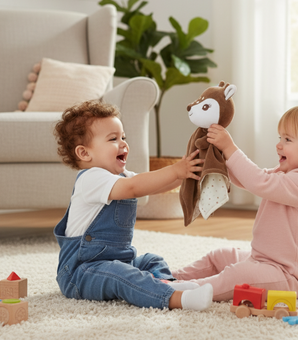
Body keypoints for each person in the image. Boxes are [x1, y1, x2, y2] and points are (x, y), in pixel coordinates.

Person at [172, 104, 298, 302]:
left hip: (290, 277)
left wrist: (230, 148)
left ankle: (182, 291)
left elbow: (259, 182)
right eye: (280, 138)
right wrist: (216, 159)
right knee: (221, 255)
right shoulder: (285, 174)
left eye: (288, 139)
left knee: (238, 275)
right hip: (263, 261)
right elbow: (248, 179)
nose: (279, 145)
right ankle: (172, 276)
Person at [53, 100, 213, 311]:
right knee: (121, 275)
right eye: (113, 139)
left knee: (151, 261)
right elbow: (134, 188)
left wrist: (186, 173)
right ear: (84, 153)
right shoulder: (91, 179)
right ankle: (176, 299)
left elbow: (152, 186)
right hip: (81, 272)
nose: (123, 144)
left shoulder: (122, 177)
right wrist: (176, 170)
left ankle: (166, 284)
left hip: (120, 261)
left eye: (123, 137)